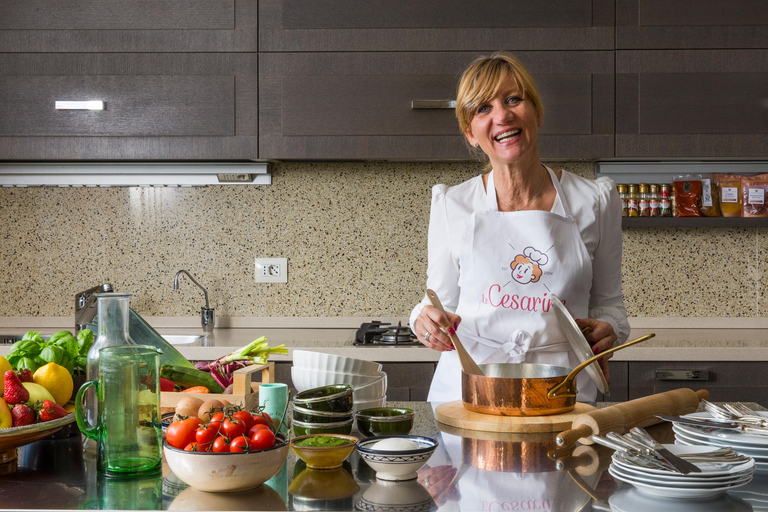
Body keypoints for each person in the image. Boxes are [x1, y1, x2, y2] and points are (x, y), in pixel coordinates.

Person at [409, 51, 629, 403]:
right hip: (469, 393)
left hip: (559, 392)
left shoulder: (595, 201)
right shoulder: (453, 204)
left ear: (537, 113)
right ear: (470, 133)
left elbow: (611, 308)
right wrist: (423, 321)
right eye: (483, 108)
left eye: (513, 99)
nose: (502, 115)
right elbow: (436, 301)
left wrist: (610, 331)